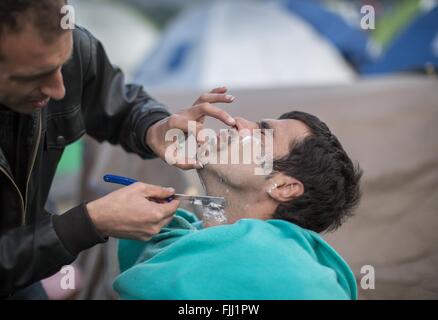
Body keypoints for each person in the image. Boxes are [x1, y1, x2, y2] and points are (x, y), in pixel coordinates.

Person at [0, 0, 236, 298]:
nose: (60, 90)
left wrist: (152, 127)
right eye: (33, 76)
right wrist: (88, 223)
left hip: (29, 272)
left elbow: (118, 103)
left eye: (64, 63)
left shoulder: (65, 43)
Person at [114, 111, 363, 299]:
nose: (238, 122)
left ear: (283, 187)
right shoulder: (158, 238)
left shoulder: (302, 282)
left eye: (262, 133)